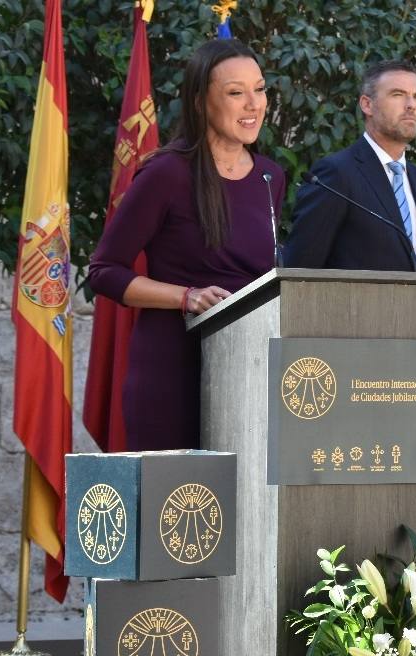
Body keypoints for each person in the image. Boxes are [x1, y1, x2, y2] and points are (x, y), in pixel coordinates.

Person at [89, 39, 285, 451]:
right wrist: (187, 297)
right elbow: (105, 272)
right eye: (236, 93)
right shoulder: (166, 174)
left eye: (260, 89)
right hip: (173, 374)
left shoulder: (270, 177)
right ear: (199, 102)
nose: (254, 104)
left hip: (247, 375)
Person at [284, 59, 416, 271]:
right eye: (398, 94)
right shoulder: (336, 174)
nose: (411, 105)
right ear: (367, 104)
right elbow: (300, 267)